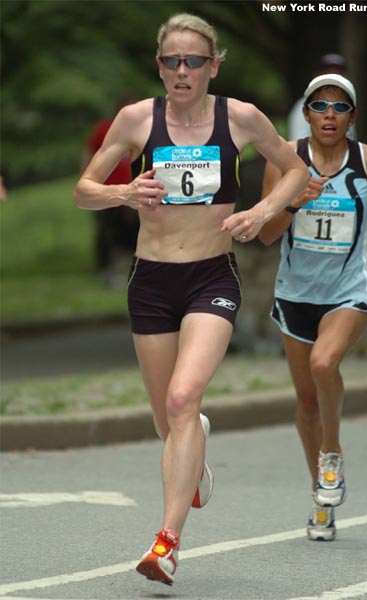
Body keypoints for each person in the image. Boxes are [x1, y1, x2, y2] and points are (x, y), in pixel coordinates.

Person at [73, 12, 309, 586]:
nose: (182, 71)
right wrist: (124, 191)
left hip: (212, 277)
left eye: (194, 61)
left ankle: (166, 543)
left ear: (213, 66)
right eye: (172, 61)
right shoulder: (136, 120)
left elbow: (296, 170)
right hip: (151, 281)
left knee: (182, 398)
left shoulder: (240, 118)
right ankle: (192, 449)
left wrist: (260, 211)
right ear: (160, 67)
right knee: (168, 418)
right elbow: (83, 191)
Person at [259, 74, 367, 542]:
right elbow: (264, 232)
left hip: (349, 291)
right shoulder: (284, 159)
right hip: (295, 294)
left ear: (353, 118)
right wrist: (294, 203)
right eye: (320, 106)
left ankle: (332, 455)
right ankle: (321, 498)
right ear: (307, 113)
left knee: (325, 362)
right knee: (305, 403)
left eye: (340, 108)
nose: (329, 115)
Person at [82, 99, 140, 284]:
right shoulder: (105, 128)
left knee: (134, 230)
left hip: (134, 191)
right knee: (107, 231)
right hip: (106, 190)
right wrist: (87, 181)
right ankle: (105, 269)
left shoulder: (144, 130)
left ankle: (133, 269)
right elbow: (88, 153)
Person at [287, 54, 356, 141]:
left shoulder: (348, 106)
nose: (333, 77)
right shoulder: (303, 106)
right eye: (328, 73)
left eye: (338, 73)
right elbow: (298, 147)